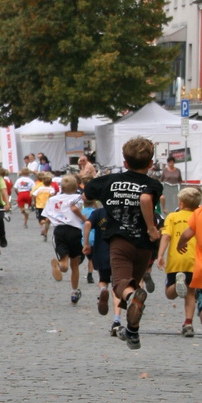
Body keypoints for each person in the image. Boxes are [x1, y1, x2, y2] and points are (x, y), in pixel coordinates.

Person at [84, 136, 163, 350]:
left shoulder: (110, 180)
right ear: (150, 164)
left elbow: (87, 192)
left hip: (120, 240)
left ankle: (133, 296)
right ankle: (132, 332)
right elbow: (147, 199)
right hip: (144, 246)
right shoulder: (153, 184)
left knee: (121, 286)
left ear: (125, 162)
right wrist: (151, 230)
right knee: (133, 284)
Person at [158, 183, 201, 337]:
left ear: (181, 203)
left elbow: (166, 236)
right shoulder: (198, 216)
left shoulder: (172, 217)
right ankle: (188, 323)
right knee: (190, 293)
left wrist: (160, 255)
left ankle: (177, 285)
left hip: (176, 259)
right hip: (193, 260)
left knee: (170, 294)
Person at [44, 174, 87, 302]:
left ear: (61, 187)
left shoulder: (53, 199)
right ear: (75, 187)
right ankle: (74, 292)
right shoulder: (78, 198)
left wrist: (46, 228)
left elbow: (47, 217)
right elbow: (78, 206)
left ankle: (58, 265)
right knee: (75, 265)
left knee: (65, 263)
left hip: (60, 230)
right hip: (75, 231)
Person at [31, 172, 55, 239]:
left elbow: (33, 195)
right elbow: (52, 195)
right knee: (47, 219)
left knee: (40, 219)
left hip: (39, 206)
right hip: (48, 206)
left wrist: (34, 202)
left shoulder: (40, 189)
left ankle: (43, 227)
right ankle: (45, 232)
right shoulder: (51, 189)